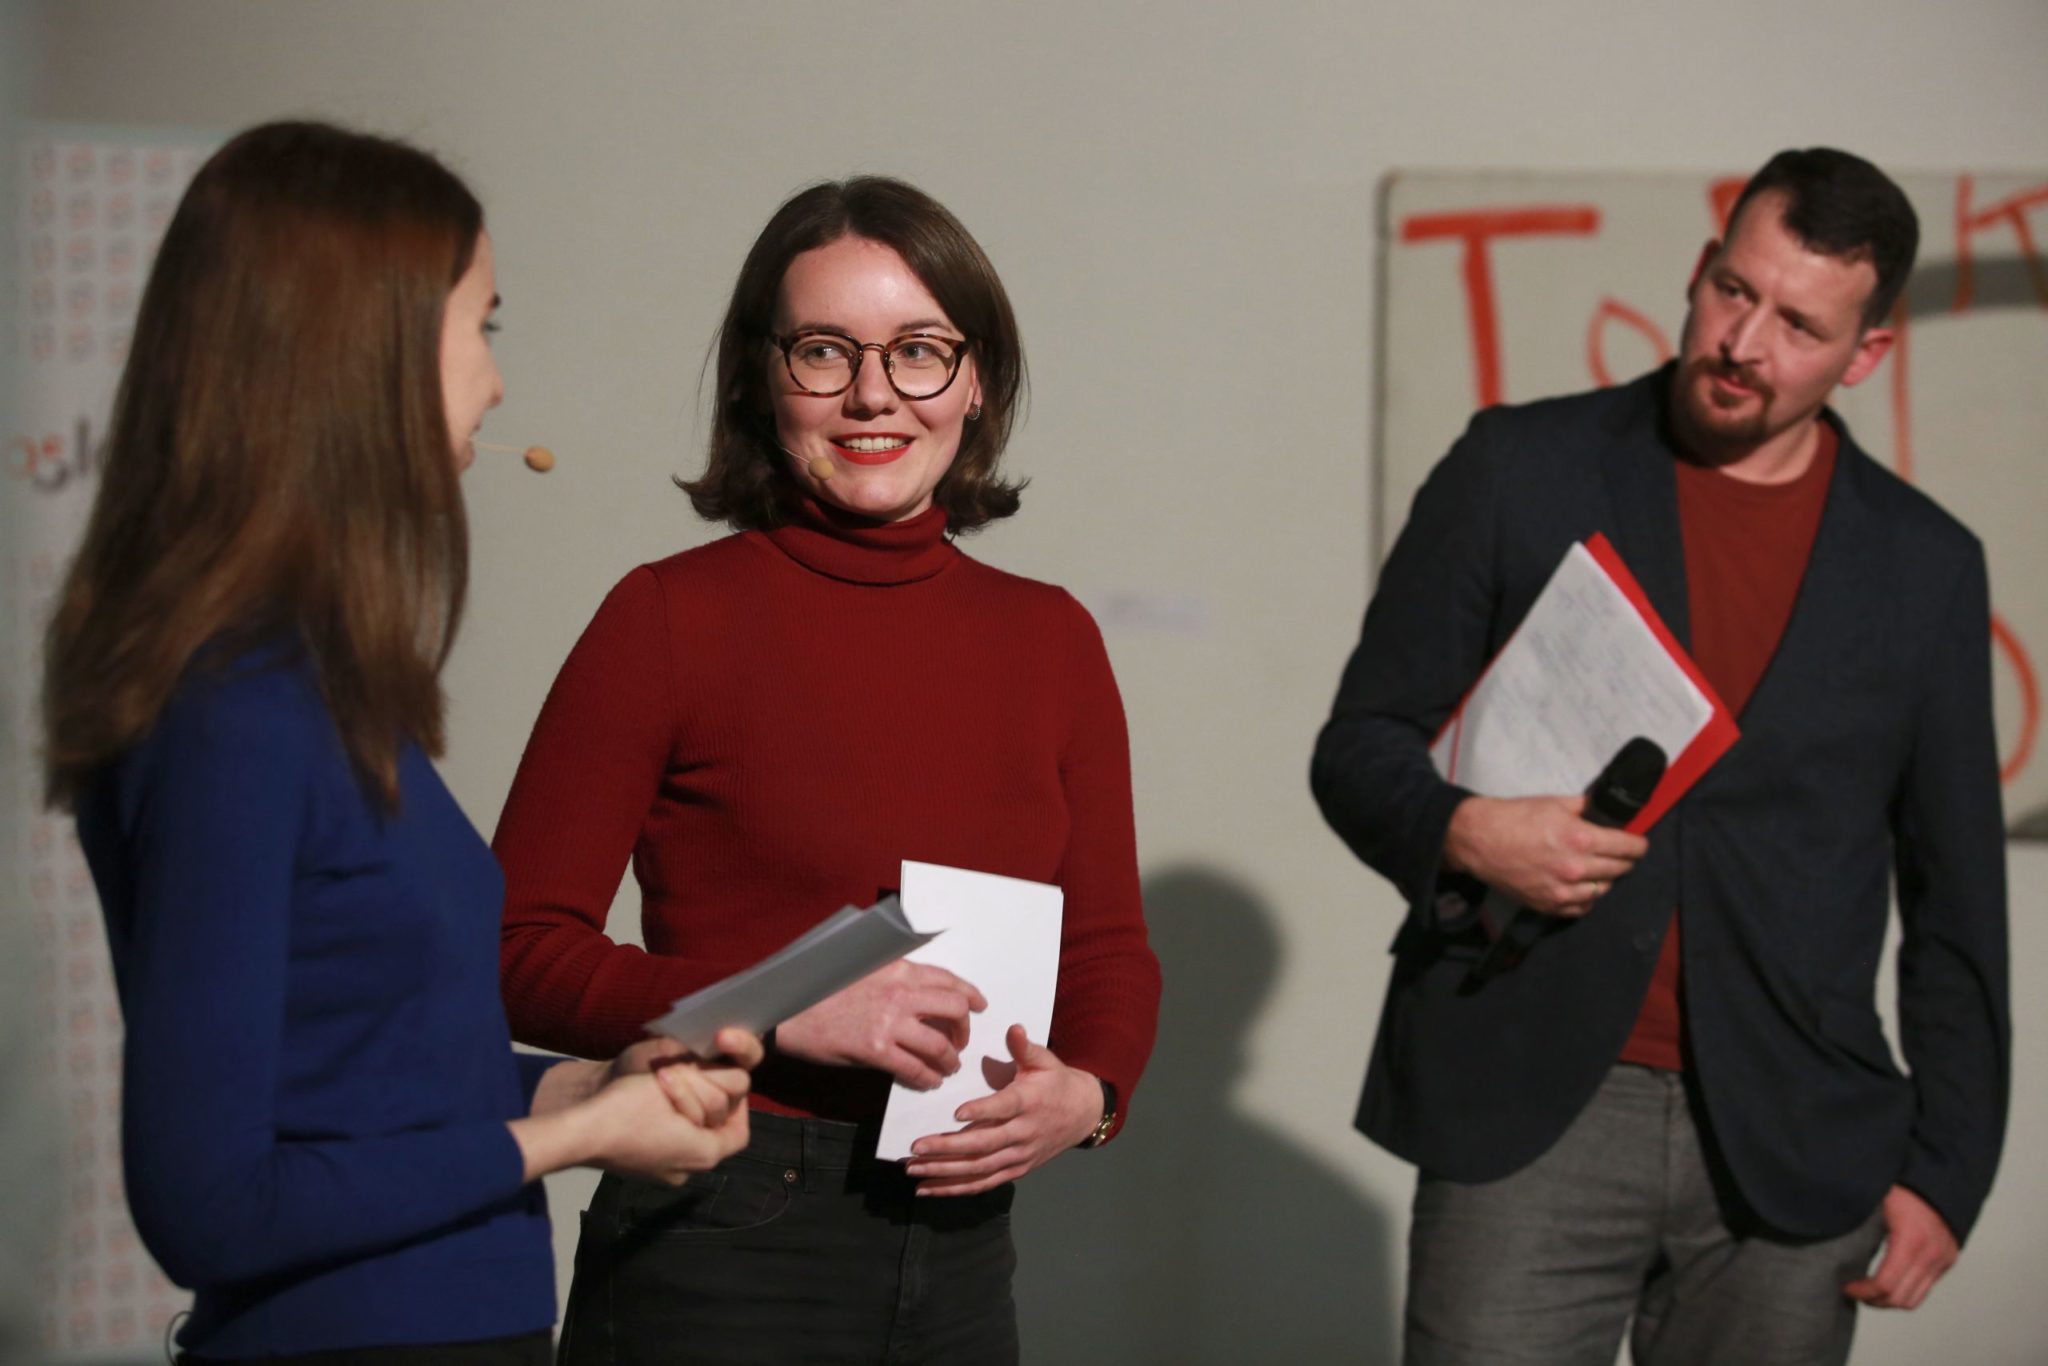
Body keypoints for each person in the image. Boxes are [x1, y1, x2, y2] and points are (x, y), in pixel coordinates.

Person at [40, 120, 761, 1365]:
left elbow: (366, 1080)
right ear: (362, 349)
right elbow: (206, 1202)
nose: (495, 381)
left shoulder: (309, 684)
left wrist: (586, 1086)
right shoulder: (230, 705)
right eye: (482, 324)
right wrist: (574, 1140)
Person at [1312, 147, 2008, 1366]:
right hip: (1525, 1098)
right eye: (1733, 291)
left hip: (1792, 1136)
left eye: (1797, 324)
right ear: (1697, 271)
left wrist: (1947, 1168)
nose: (1742, 342)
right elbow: (1356, 748)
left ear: (1864, 354)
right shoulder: (1516, 467)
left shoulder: (1925, 565)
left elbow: (1954, 897)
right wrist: (1466, 830)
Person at [493, 175, 1161, 1363]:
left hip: (963, 1242)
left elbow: (1105, 945)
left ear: (976, 380)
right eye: (822, 351)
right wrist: (782, 1002)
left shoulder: (1051, 636)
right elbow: (514, 953)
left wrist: (1092, 1094)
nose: (871, 393)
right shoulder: (666, 618)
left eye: (917, 350)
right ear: (763, 378)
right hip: (720, 1216)